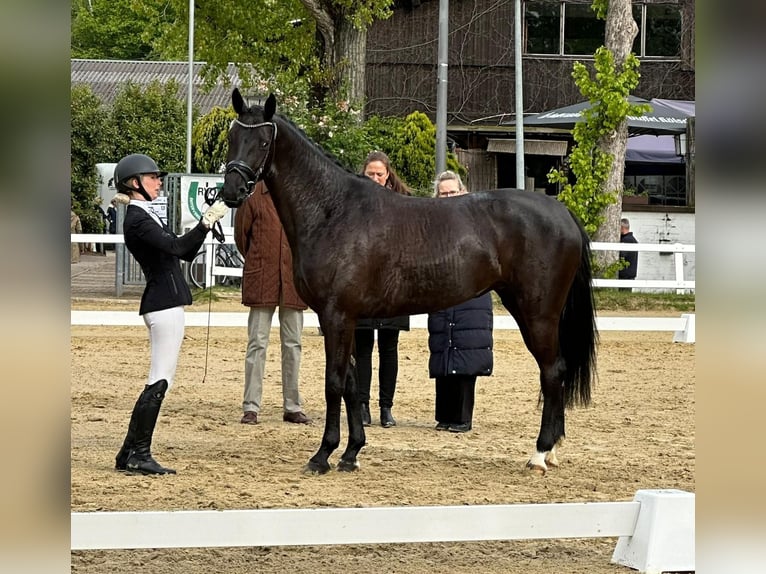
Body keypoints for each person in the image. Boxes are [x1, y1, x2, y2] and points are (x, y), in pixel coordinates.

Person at [113, 153, 229, 475]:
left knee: (159, 380)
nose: (159, 181)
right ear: (135, 183)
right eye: (152, 177)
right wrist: (205, 219)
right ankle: (139, 452)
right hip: (163, 304)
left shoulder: (144, 215)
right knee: (159, 380)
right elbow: (178, 248)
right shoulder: (137, 219)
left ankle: (128, 452)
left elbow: (185, 250)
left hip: (166, 302)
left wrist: (207, 225)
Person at [234, 180, 311, 426]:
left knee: (293, 343)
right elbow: (241, 237)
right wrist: (260, 261)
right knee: (257, 343)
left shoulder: (298, 193)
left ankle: (292, 405)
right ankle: (251, 406)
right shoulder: (254, 194)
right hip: (262, 276)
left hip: (292, 279)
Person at [428, 170, 494, 433]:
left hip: (471, 295)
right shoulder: (432, 225)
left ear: (462, 192)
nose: (447, 197)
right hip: (442, 294)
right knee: (444, 354)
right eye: (443, 193)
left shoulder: (477, 222)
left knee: (466, 357)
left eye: (452, 192)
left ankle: (463, 418)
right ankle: (445, 415)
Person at [356, 151, 412, 428]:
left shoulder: (403, 203)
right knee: (363, 348)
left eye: (379, 174)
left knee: (389, 349)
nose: (375, 178)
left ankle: (386, 407)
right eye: (370, 174)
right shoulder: (353, 204)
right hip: (363, 287)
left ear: (388, 174)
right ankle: (363, 406)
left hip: (393, 287)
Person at [618, 217, 639, 286]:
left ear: (621, 228)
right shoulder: (633, 240)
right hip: (630, 274)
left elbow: (621, 256)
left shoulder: (626, 240)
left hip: (624, 275)